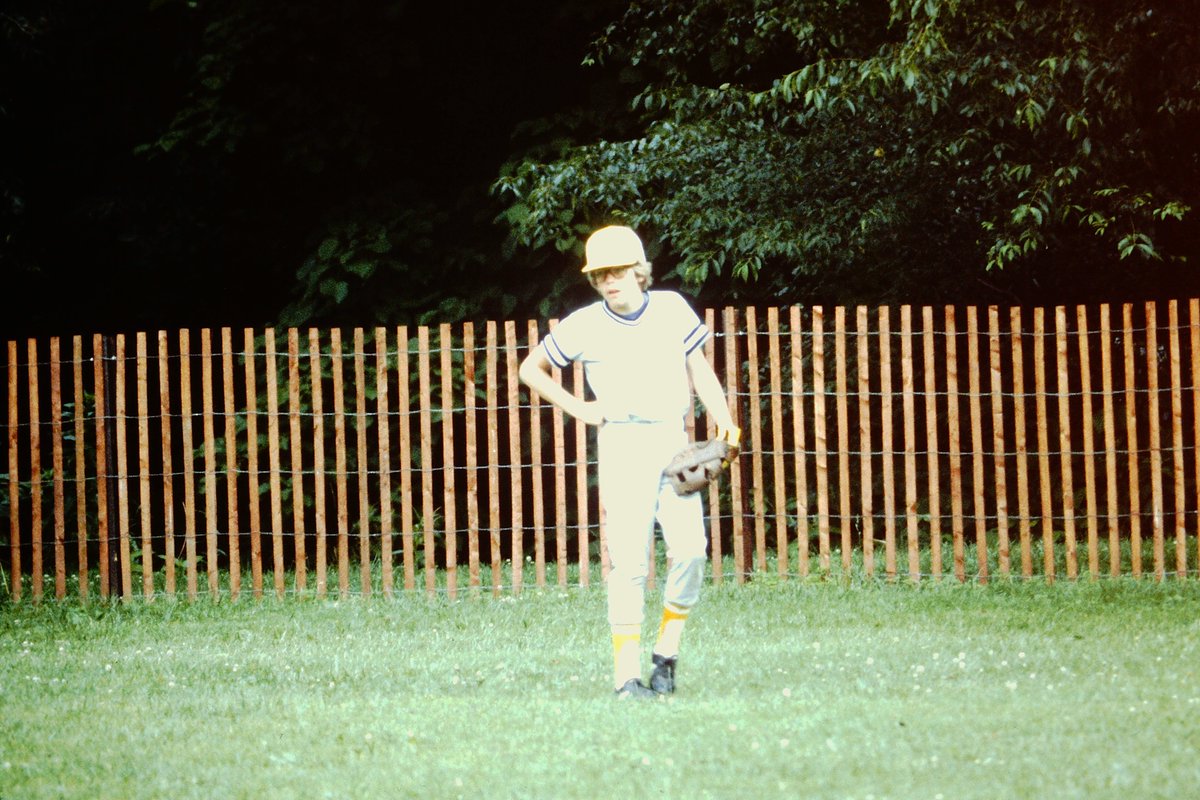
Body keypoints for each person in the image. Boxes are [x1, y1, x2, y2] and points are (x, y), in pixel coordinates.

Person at [519, 224, 740, 699]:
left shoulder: (671, 309)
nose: (609, 280)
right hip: (621, 443)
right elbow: (529, 369)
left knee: (692, 551)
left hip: (672, 440)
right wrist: (580, 409)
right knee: (630, 562)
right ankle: (626, 678)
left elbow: (699, 368)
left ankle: (667, 652)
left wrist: (726, 424)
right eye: (600, 274)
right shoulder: (583, 324)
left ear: (640, 270)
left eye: (618, 270)